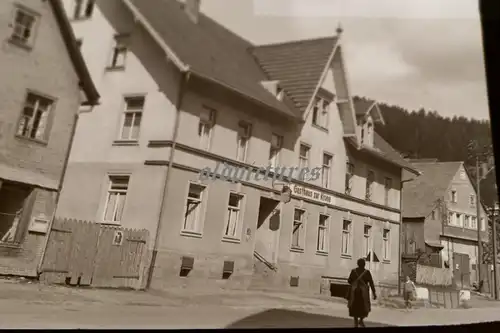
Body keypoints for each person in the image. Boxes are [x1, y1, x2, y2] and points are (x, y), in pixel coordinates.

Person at [347, 258, 377, 328]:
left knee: (354, 307)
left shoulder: (353, 271)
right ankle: (361, 320)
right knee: (365, 308)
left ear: (357, 264)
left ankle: (356, 323)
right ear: (364, 264)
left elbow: (349, 281)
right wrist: (374, 293)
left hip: (355, 293)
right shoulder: (367, 272)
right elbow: (371, 283)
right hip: (363, 294)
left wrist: (355, 283)